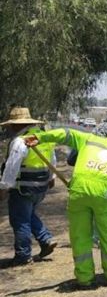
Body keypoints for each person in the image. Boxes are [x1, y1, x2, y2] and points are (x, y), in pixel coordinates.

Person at [24, 128, 107, 289]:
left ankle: (84, 279)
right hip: (104, 194)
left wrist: (39, 138)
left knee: (80, 235)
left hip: (78, 191)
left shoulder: (90, 139)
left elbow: (65, 133)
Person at [0, 107, 58, 266]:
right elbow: (52, 159)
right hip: (40, 188)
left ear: (18, 125)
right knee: (28, 215)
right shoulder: (42, 138)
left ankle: (23, 255)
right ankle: (46, 240)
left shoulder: (20, 141)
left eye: (11, 125)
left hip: (22, 188)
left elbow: (12, 166)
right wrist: (52, 177)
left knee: (20, 220)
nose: (10, 128)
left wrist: (4, 187)